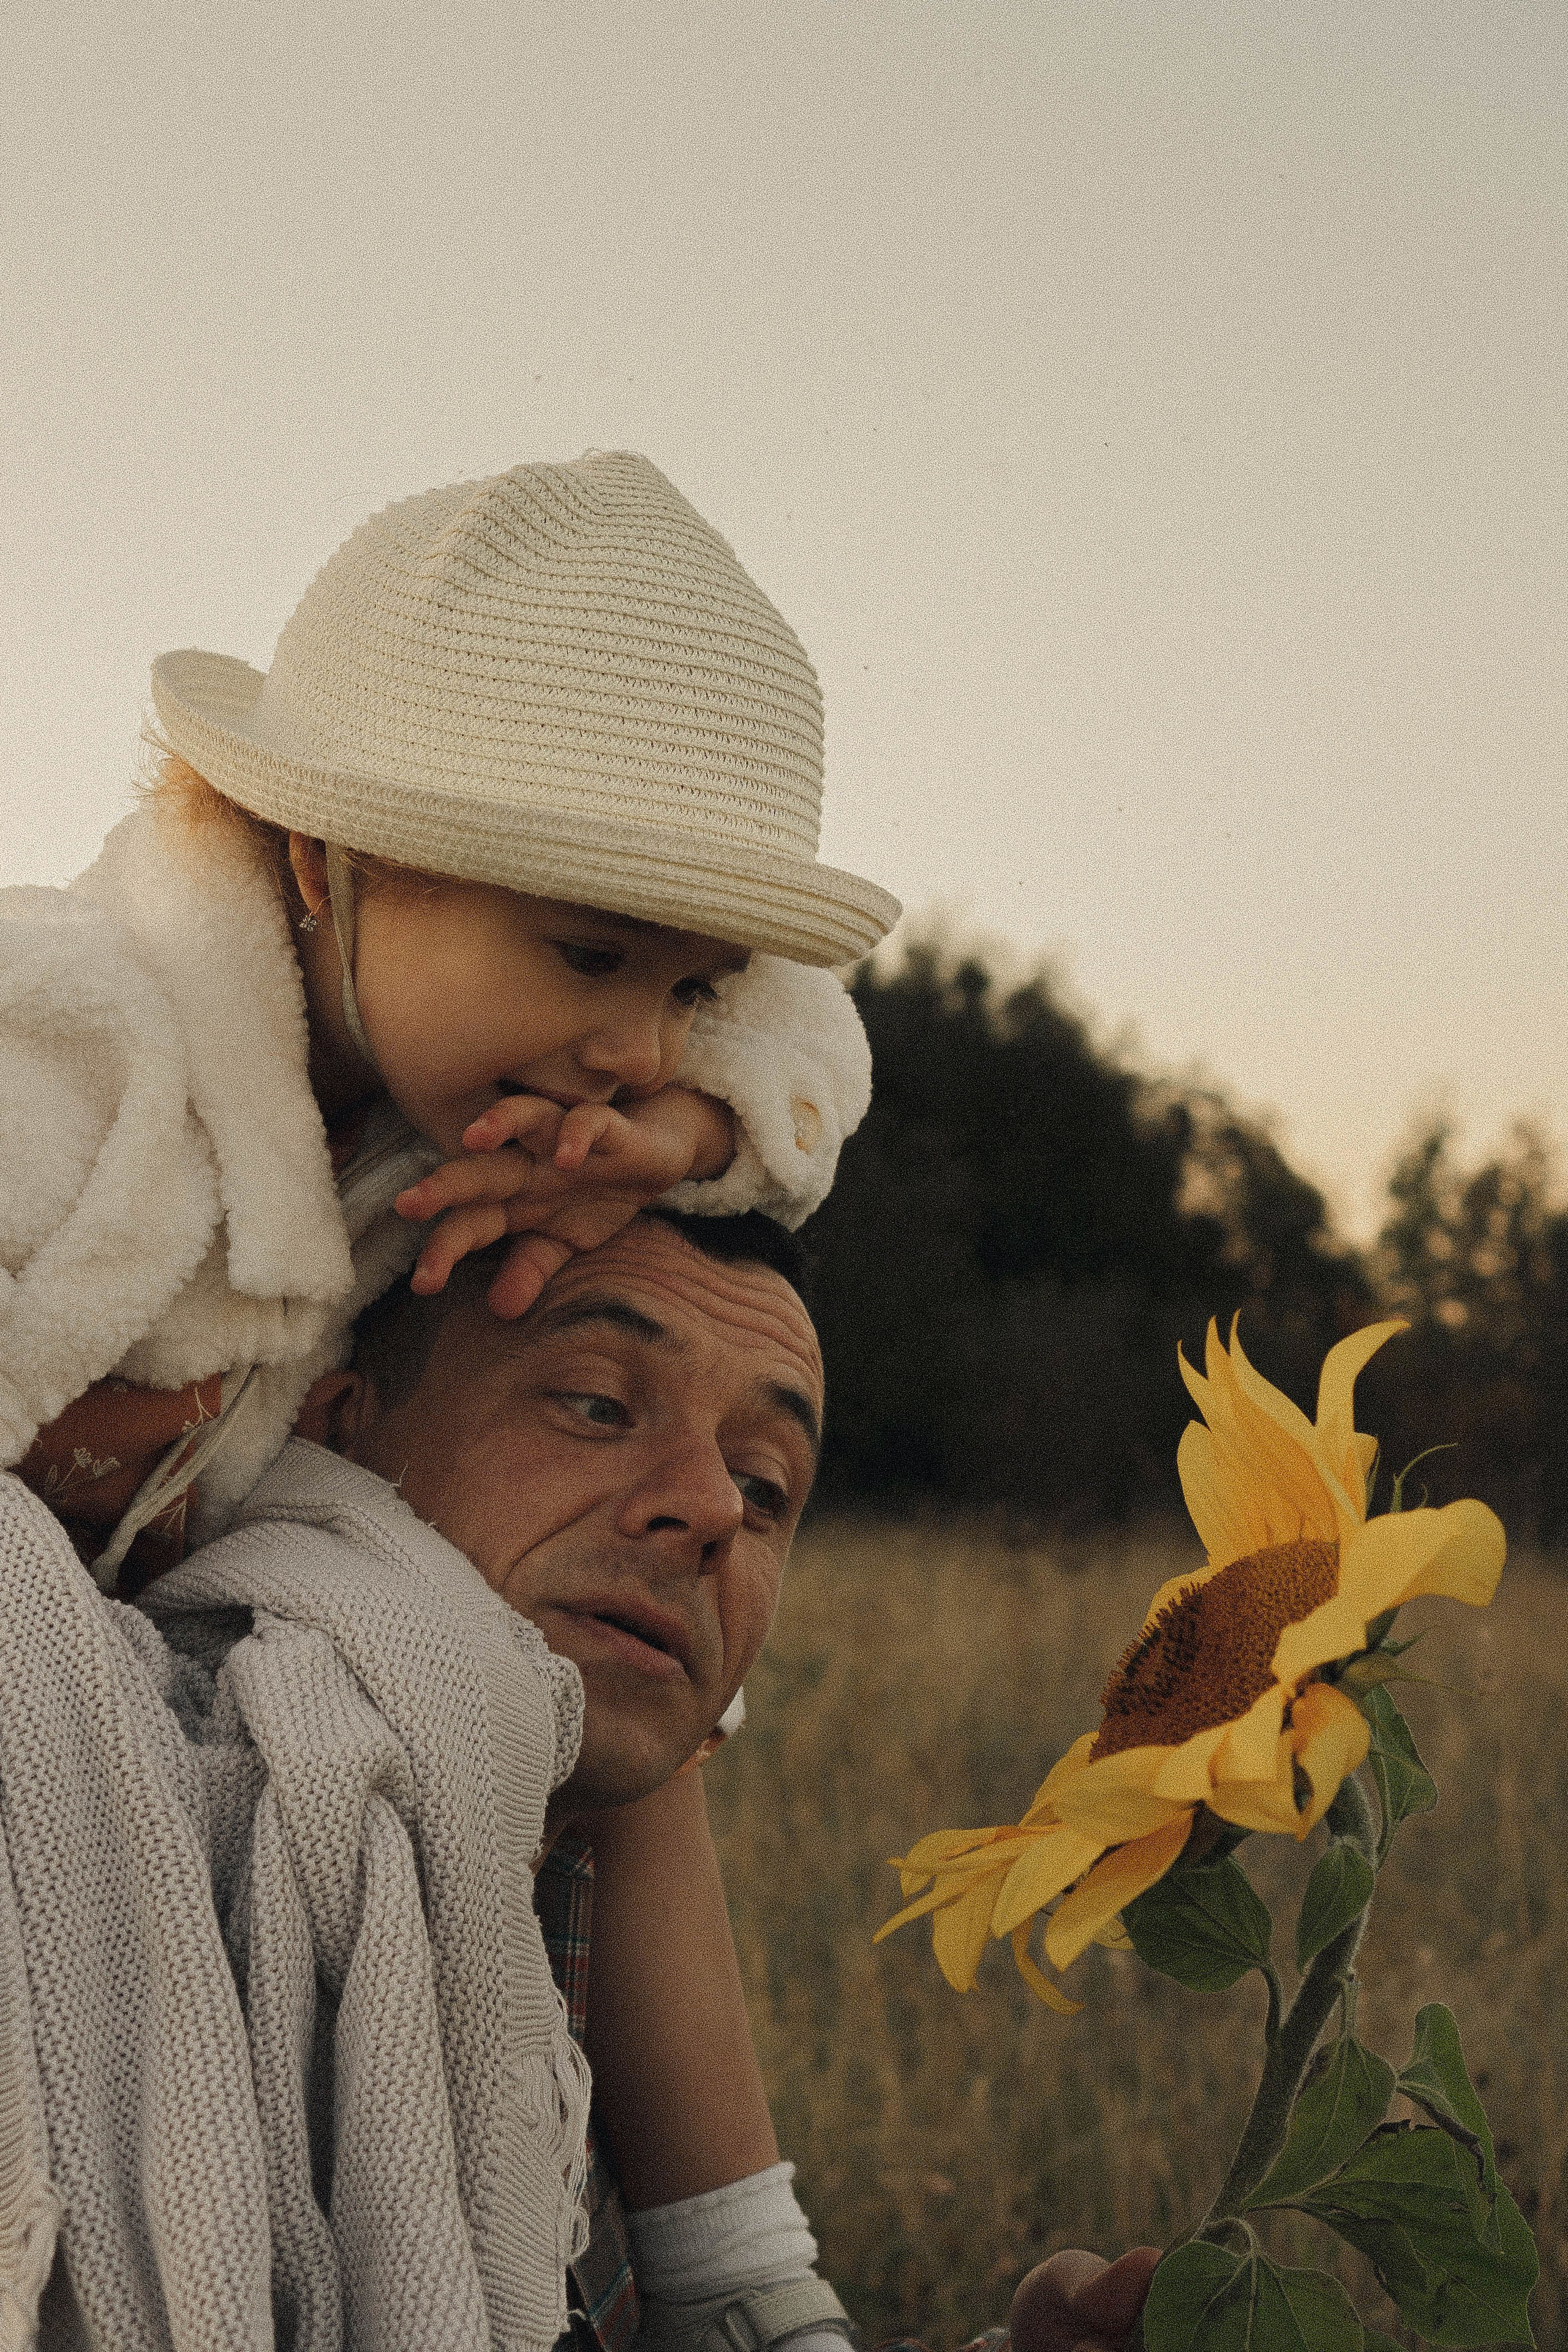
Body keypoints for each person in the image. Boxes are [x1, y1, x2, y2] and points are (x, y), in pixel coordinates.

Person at [0, 453, 898, 2318]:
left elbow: (805, 1041)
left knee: (607, 1682)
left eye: (686, 984)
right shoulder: (84, 1062)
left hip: (247, 1612)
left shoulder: (502, 1110)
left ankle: (742, 2281)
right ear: (324, 862)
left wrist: (701, 1106)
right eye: (593, 959)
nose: (632, 1041)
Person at [158, 1208, 1150, 2352]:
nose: (717, 1509)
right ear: (336, 1433)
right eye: (597, 1406)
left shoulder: (573, 1895)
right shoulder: (122, 1821)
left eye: (766, 1484)